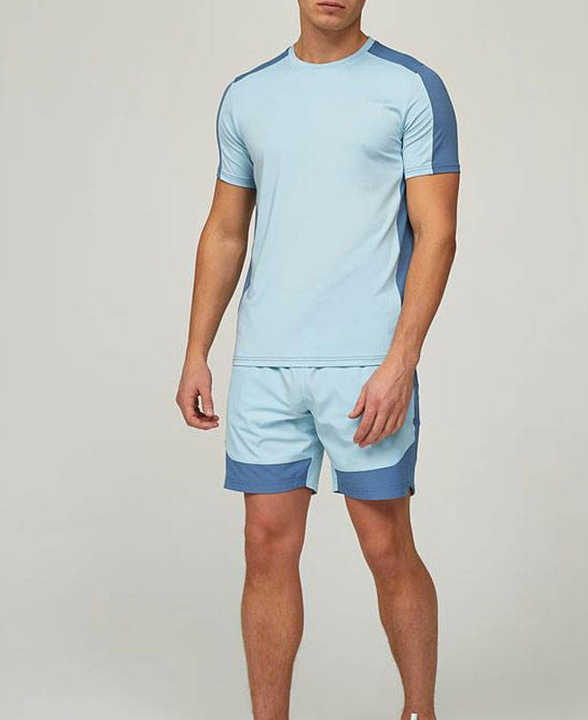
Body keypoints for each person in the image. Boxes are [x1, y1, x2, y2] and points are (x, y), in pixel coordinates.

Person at [176, 1, 460, 718]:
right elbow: (225, 231)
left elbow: (437, 233)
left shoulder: (410, 87)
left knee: (386, 544)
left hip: (366, 366)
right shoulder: (248, 96)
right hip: (266, 366)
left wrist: (400, 362)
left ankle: (419, 712)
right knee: (265, 546)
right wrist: (196, 351)